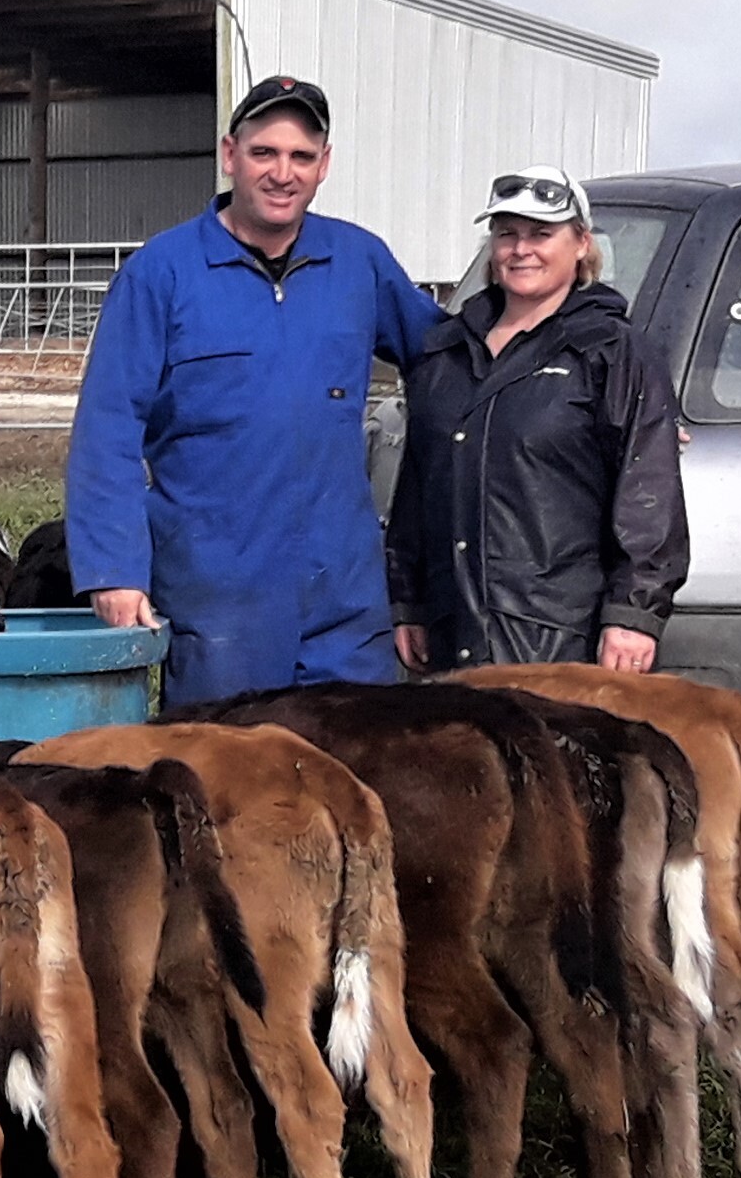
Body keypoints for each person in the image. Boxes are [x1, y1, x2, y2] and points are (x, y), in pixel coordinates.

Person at [66, 74, 444, 706]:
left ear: (325, 165)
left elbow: (448, 360)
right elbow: (109, 428)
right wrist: (115, 569)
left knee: (358, 781)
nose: (282, 173)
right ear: (229, 155)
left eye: (301, 156)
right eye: (264, 153)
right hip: (221, 602)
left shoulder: (358, 262)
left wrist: (605, 378)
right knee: (230, 785)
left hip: (344, 600)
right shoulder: (162, 273)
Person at [388, 165, 687, 672]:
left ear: (581, 245)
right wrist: (408, 601)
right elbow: (416, 488)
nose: (521, 249)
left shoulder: (613, 352)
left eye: (541, 234)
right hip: (451, 626)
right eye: (507, 234)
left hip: (558, 637)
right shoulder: (445, 354)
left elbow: (648, 489)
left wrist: (634, 615)